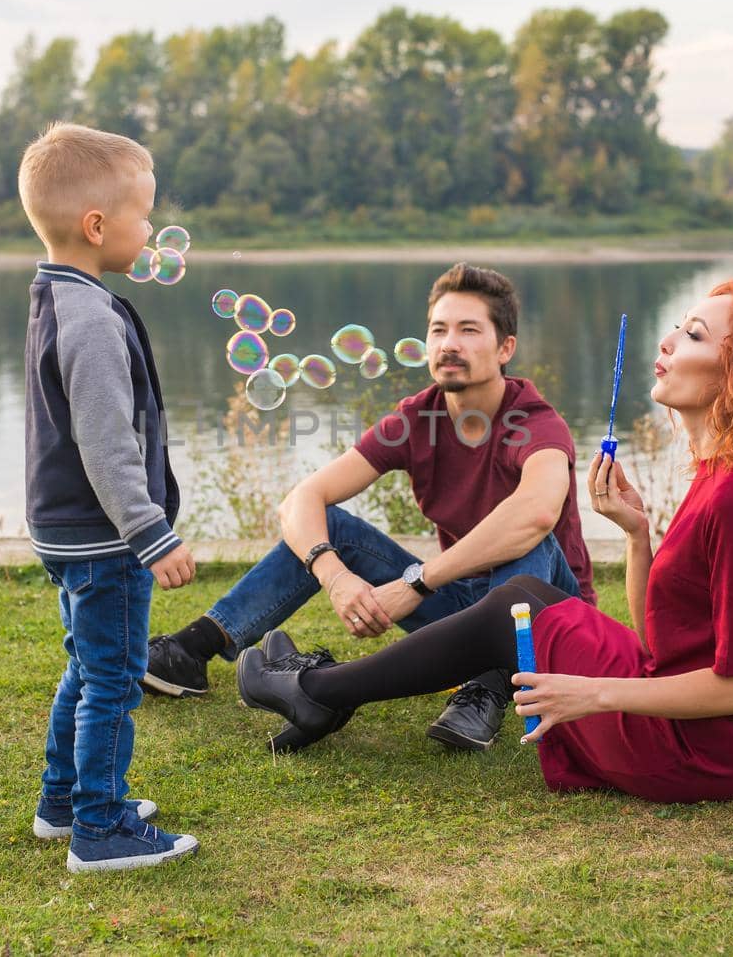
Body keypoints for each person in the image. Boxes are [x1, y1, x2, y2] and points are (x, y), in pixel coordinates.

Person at [236, 280, 733, 803]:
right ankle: (314, 688)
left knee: (516, 603)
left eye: (696, 336)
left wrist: (591, 694)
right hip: (709, 739)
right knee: (523, 597)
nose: (668, 342)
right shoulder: (728, 476)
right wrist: (637, 536)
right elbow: (664, 642)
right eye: (678, 327)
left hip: (702, 756)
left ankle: (319, 690)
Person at [146, 263, 595, 752]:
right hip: (460, 604)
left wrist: (417, 581)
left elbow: (534, 515)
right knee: (330, 528)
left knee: (521, 535)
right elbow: (303, 499)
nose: (450, 344)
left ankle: (485, 688)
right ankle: (193, 649)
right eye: (439, 330)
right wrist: (335, 577)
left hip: (551, 617)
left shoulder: (537, 423)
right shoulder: (415, 419)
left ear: (505, 347)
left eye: (469, 330)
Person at [19, 123, 199, 871]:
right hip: (104, 538)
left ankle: (63, 801)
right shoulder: (90, 316)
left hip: (66, 529)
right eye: (144, 213)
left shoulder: (58, 295)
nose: (152, 227)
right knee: (116, 679)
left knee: (87, 666)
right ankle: (101, 826)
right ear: (97, 226)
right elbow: (105, 442)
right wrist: (149, 533)